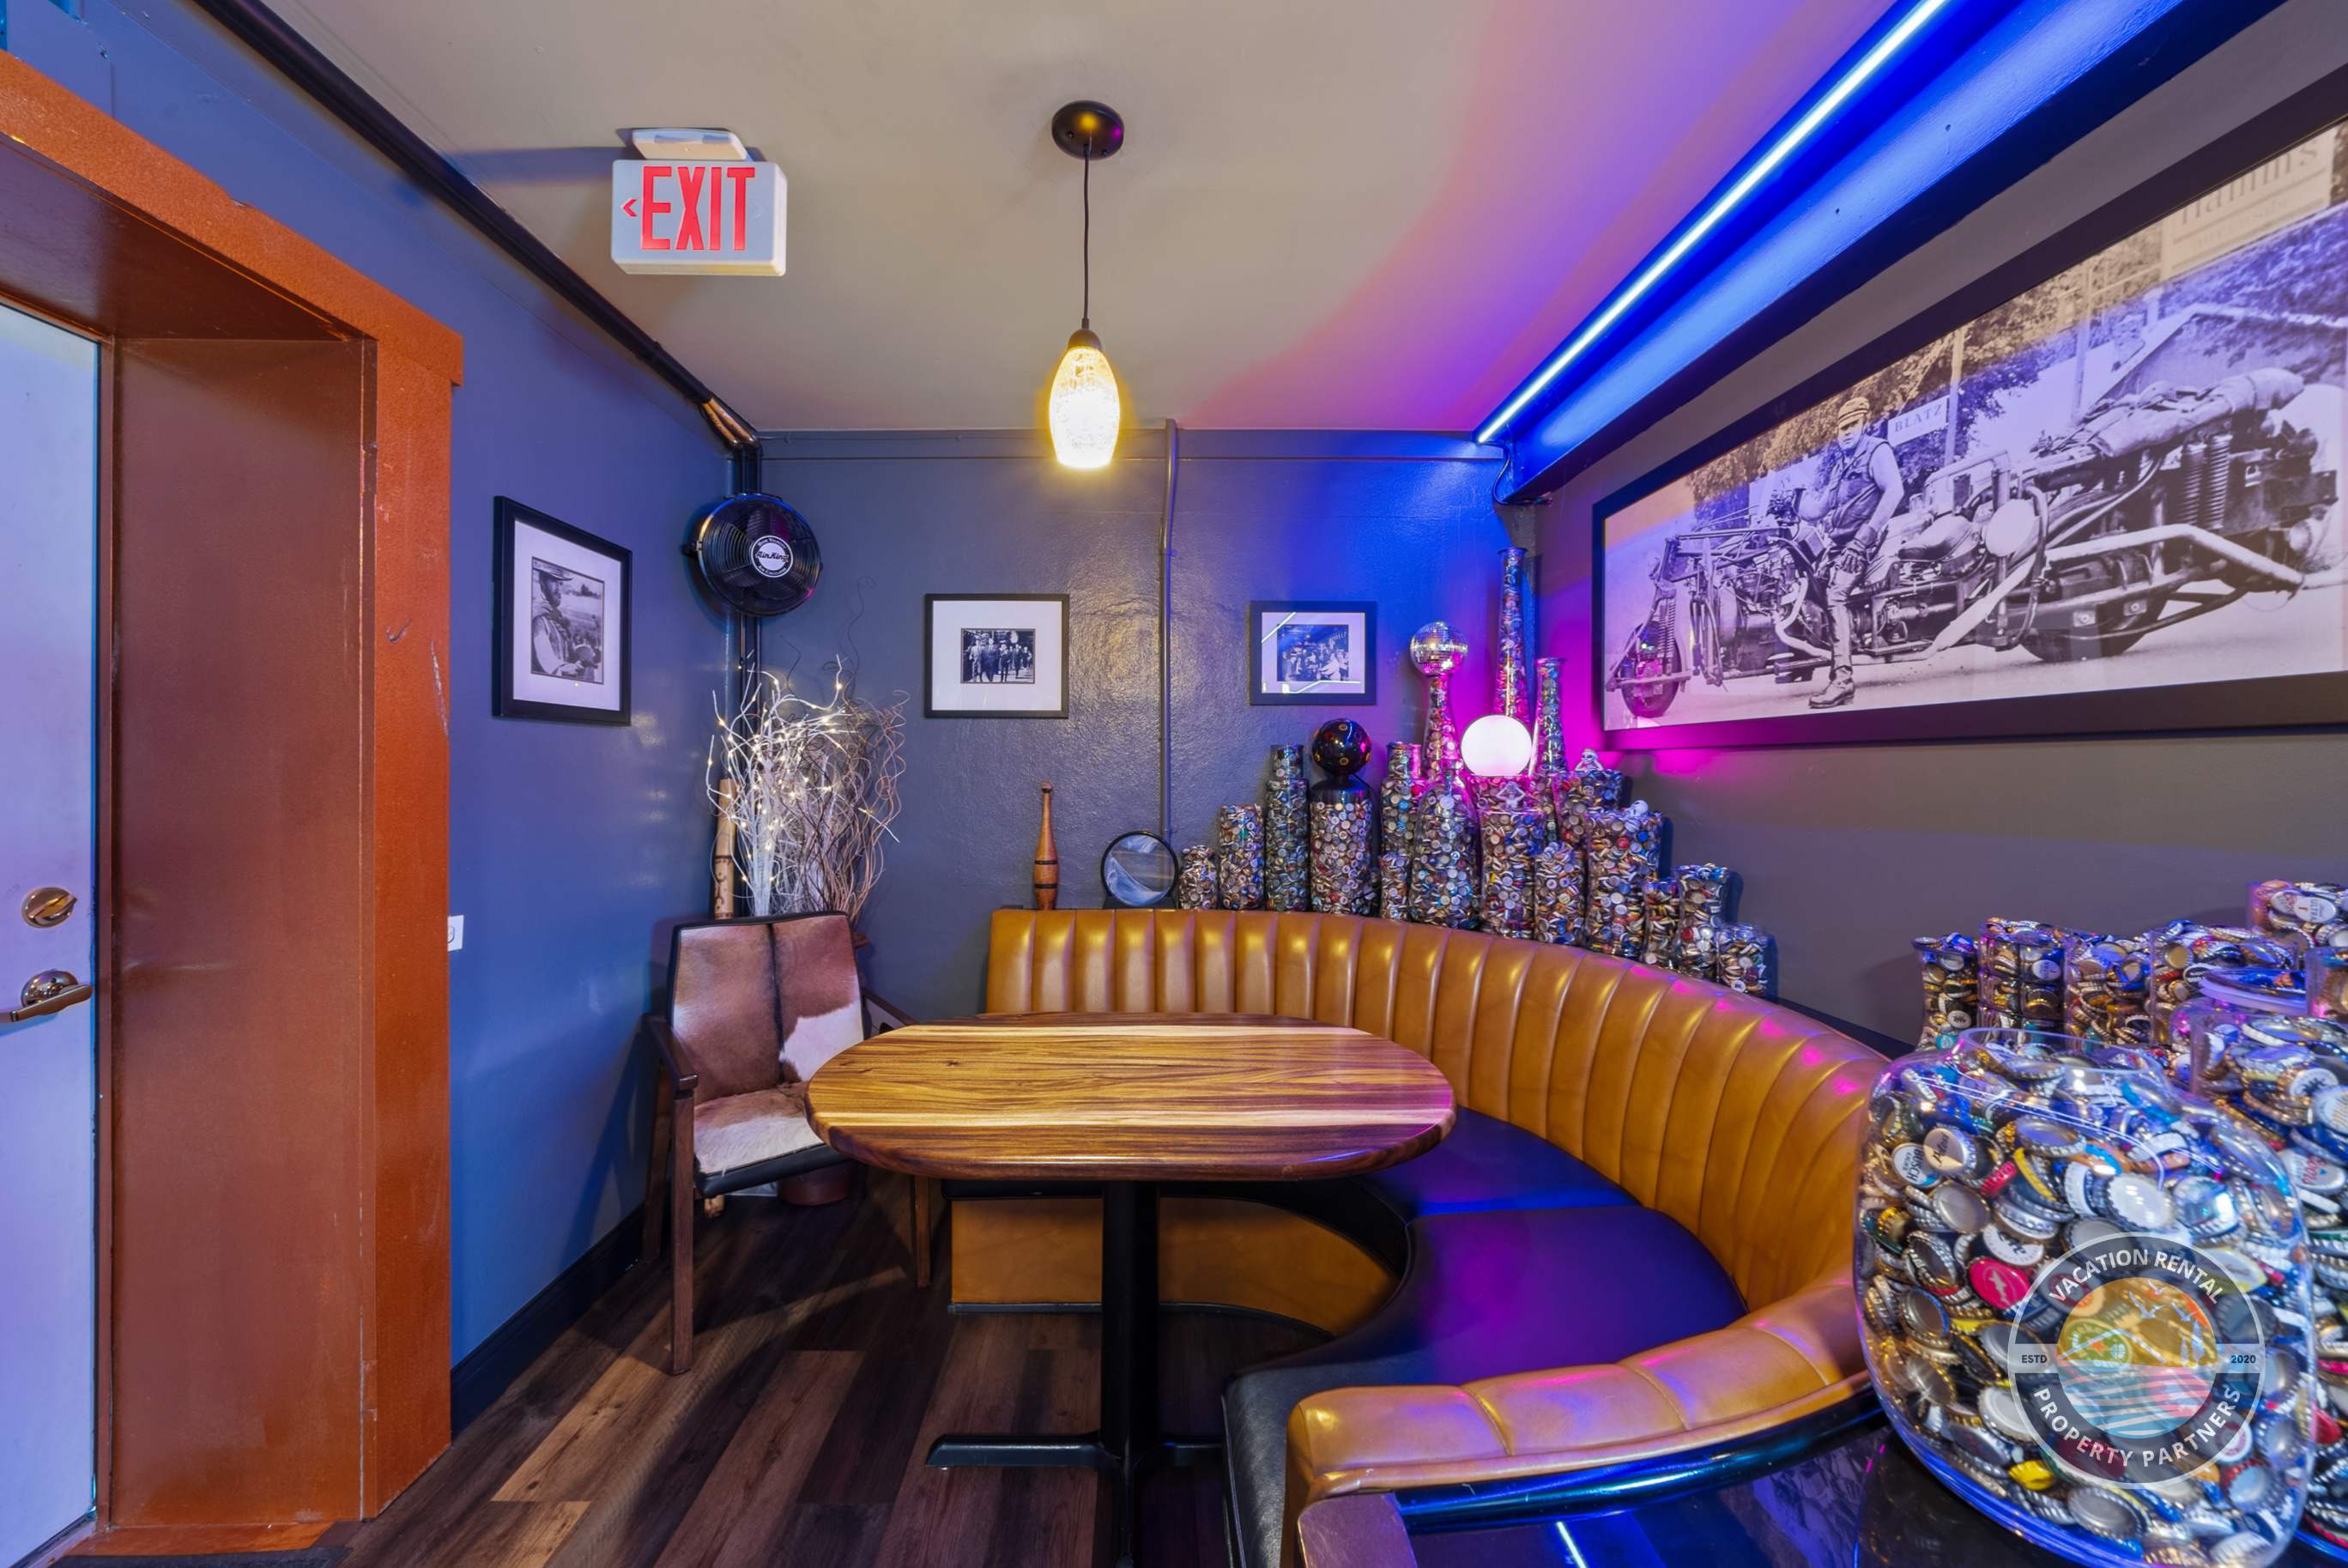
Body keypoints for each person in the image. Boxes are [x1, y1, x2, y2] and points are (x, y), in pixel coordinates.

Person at [1793, 392, 1905, 709]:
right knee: (1813, 588)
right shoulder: (1840, 468)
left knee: (1836, 595)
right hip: (1841, 545)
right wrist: (1794, 501)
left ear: (1864, 423)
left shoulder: (1877, 451)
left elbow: (1895, 491)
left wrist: (1863, 539)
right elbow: (1819, 508)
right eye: (1842, 427)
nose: (1846, 432)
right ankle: (1839, 646)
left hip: (1864, 543)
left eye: (1852, 425)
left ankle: (1843, 681)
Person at [530, 568, 585, 679]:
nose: (559, 589)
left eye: (561, 583)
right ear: (542, 584)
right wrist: (564, 669)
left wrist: (578, 661)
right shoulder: (538, 617)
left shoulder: (557, 617)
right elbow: (546, 659)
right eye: (554, 581)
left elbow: (568, 654)